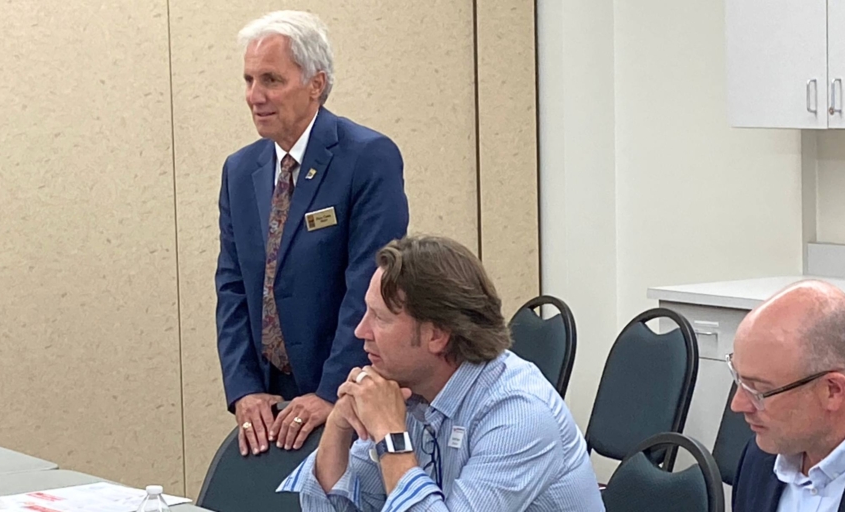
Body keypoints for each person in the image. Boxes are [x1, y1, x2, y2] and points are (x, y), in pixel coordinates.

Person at [277, 235, 605, 511]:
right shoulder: (405, 391)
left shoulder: (518, 413)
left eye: (380, 318)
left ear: (437, 335)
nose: (361, 331)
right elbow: (339, 505)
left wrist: (392, 437)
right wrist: (338, 424)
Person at [216, 10, 409, 457]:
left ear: (316, 84)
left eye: (271, 80)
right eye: (248, 80)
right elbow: (232, 286)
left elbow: (368, 283)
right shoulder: (240, 170)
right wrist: (244, 388)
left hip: (345, 389)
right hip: (269, 396)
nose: (255, 96)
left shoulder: (367, 158)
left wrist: (330, 392)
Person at [730, 280, 845, 512]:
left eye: (760, 390)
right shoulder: (760, 458)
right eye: (739, 379)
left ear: (833, 390)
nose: (737, 405)